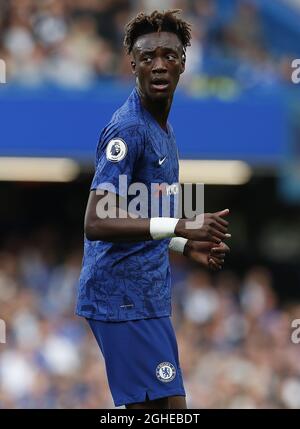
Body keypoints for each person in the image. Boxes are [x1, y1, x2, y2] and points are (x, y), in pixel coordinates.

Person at [76, 9, 230, 409]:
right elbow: (98, 219)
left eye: (169, 55)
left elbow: (141, 217)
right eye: (148, 57)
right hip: (120, 299)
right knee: (166, 409)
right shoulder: (127, 129)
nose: (159, 65)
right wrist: (182, 224)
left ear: (183, 63)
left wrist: (182, 244)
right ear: (133, 65)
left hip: (146, 300)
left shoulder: (164, 129)